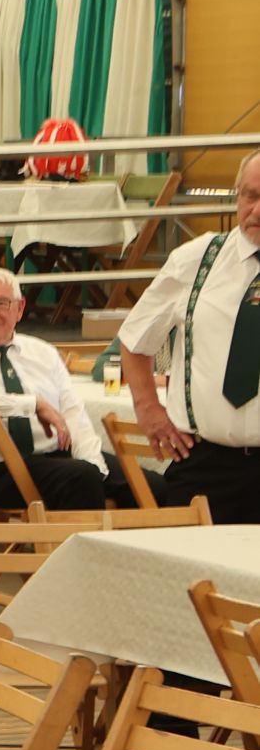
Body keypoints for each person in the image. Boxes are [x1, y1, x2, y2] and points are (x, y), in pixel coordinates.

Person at [121, 149, 260, 524]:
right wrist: (148, 408)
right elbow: (135, 339)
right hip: (205, 465)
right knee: (189, 562)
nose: (257, 210)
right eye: (251, 196)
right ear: (237, 194)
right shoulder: (197, 259)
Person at [0, 266, 110, 512]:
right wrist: (33, 404)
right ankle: (79, 538)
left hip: (58, 457)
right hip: (3, 472)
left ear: (20, 308)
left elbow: (74, 414)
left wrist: (94, 463)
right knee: (81, 478)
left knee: (151, 484)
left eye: (1, 303)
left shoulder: (43, 352)